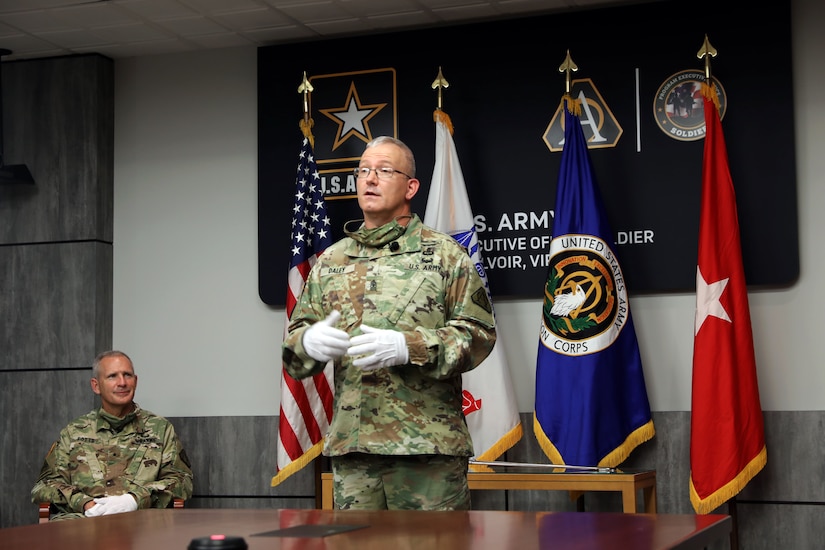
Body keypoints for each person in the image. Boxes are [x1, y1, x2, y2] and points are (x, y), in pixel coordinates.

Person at [282, 135, 496, 510]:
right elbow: (295, 349)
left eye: (383, 170)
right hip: (355, 452)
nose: (370, 179)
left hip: (427, 452)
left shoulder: (445, 255)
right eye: (363, 171)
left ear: (411, 186)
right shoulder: (331, 261)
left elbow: (478, 336)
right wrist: (307, 344)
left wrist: (407, 347)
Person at [31, 350, 193, 521]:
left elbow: (182, 481)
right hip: (82, 526)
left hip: (141, 525)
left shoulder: (160, 429)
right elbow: (44, 486)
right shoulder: (74, 431)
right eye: (112, 376)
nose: (122, 382)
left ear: (135, 381)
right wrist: (84, 503)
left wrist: (134, 500)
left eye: (127, 375)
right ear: (96, 385)